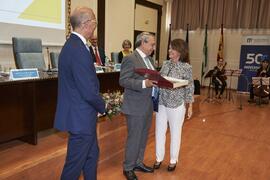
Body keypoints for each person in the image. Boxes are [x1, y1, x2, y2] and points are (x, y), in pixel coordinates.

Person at [54, 7, 105, 180]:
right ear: (86, 24)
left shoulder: (73, 45)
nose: (94, 26)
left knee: (91, 156)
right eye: (94, 22)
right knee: (73, 166)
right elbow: (88, 90)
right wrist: (103, 105)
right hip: (81, 118)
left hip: (82, 117)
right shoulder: (78, 49)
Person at [119, 32, 156, 180]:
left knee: (143, 136)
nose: (153, 47)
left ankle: (138, 162)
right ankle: (128, 167)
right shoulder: (130, 58)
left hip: (147, 104)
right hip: (134, 106)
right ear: (143, 42)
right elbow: (123, 81)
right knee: (134, 138)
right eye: (152, 44)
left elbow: (151, 78)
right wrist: (143, 83)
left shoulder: (150, 60)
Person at [153, 39, 194, 172]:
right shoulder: (165, 64)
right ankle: (159, 158)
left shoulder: (186, 67)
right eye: (169, 48)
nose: (169, 51)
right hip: (162, 103)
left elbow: (190, 87)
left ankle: (172, 160)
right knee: (159, 131)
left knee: (175, 133)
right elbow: (160, 80)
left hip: (177, 104)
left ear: (180, 51)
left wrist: (190, 106)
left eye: (172, 49)